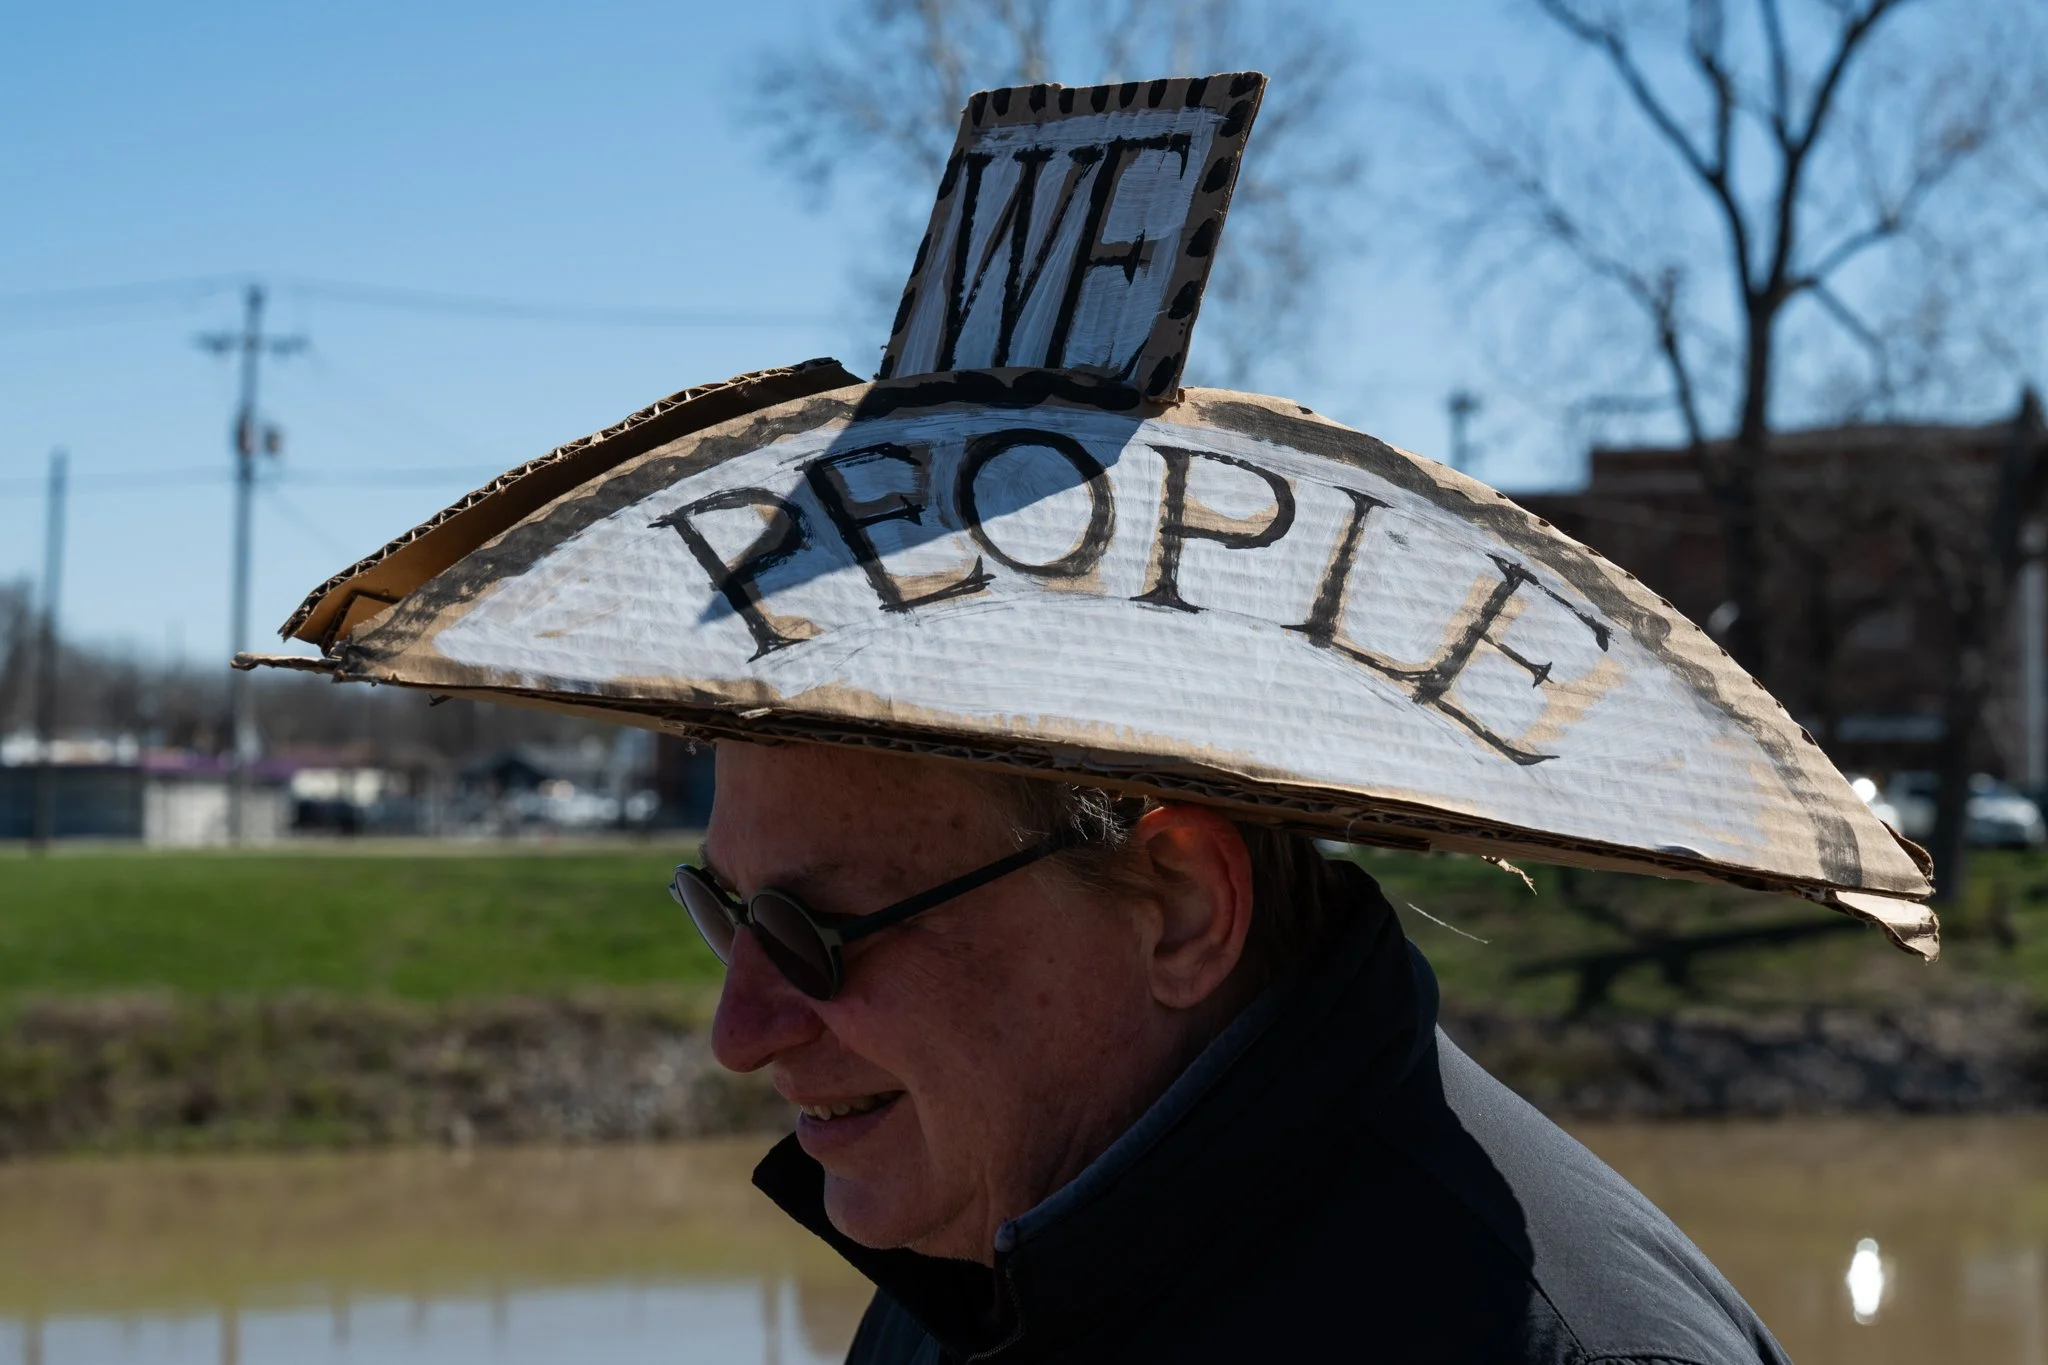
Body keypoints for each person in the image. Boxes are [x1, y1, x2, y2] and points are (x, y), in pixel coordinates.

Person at [681, 739, 1793, 1364]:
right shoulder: (969, 1278)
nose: (742, 1034)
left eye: (812, 935)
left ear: (1178, 909)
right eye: (724, 910)